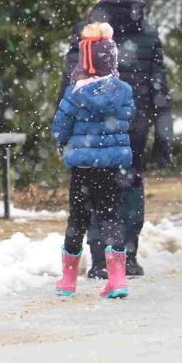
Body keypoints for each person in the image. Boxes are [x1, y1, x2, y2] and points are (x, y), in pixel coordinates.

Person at [60, 0, 173, 279]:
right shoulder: (148, 34)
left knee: (94, 188)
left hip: (87, 125)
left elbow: (69, 81)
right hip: (132, 124)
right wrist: (164, 135)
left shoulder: (85, 32)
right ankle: (129, 255)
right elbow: (159, 90)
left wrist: (63, 127)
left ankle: (99, 260)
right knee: (129, 183)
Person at [52, 23, 135, 298]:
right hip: (111, 168)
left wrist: (63, 141)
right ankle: (118, 279)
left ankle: (68, 281)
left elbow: (59, 127)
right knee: (112, 218)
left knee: (78, 220)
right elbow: (129, 117)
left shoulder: (75, 93)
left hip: (83, 168)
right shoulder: (124, 91)